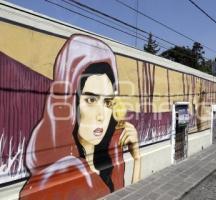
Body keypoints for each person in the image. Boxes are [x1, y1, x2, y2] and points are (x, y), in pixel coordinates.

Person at [20, 34, 141, 200]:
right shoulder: (57, 180)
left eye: (107, 102)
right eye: (91, 99)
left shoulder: (110, 160)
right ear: (70, 103)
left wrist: (137, 158)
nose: (101, 116)